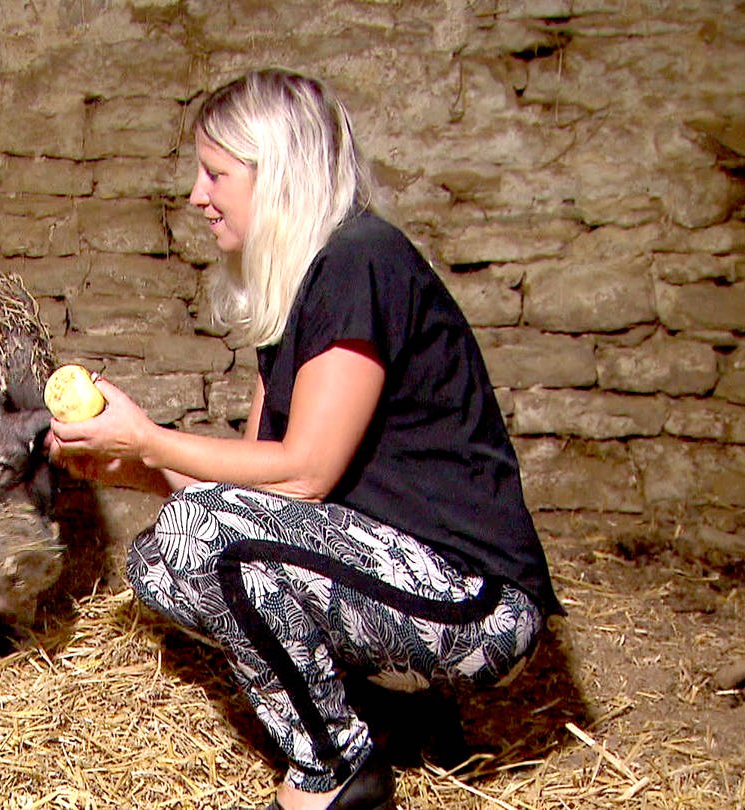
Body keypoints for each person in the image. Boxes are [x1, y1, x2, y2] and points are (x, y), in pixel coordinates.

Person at [47, 67, 561, 810]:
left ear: (277, 174)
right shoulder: (293, 298)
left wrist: (151, 437)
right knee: (158, 560)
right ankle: (394, 714)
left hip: (475, 605)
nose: (197, 195)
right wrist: (130, 465)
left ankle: (337, 770)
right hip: (389, 576)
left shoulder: (363, 259)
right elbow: (248, 498)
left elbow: (306, 472)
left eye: (216, 173)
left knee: (197, 532)